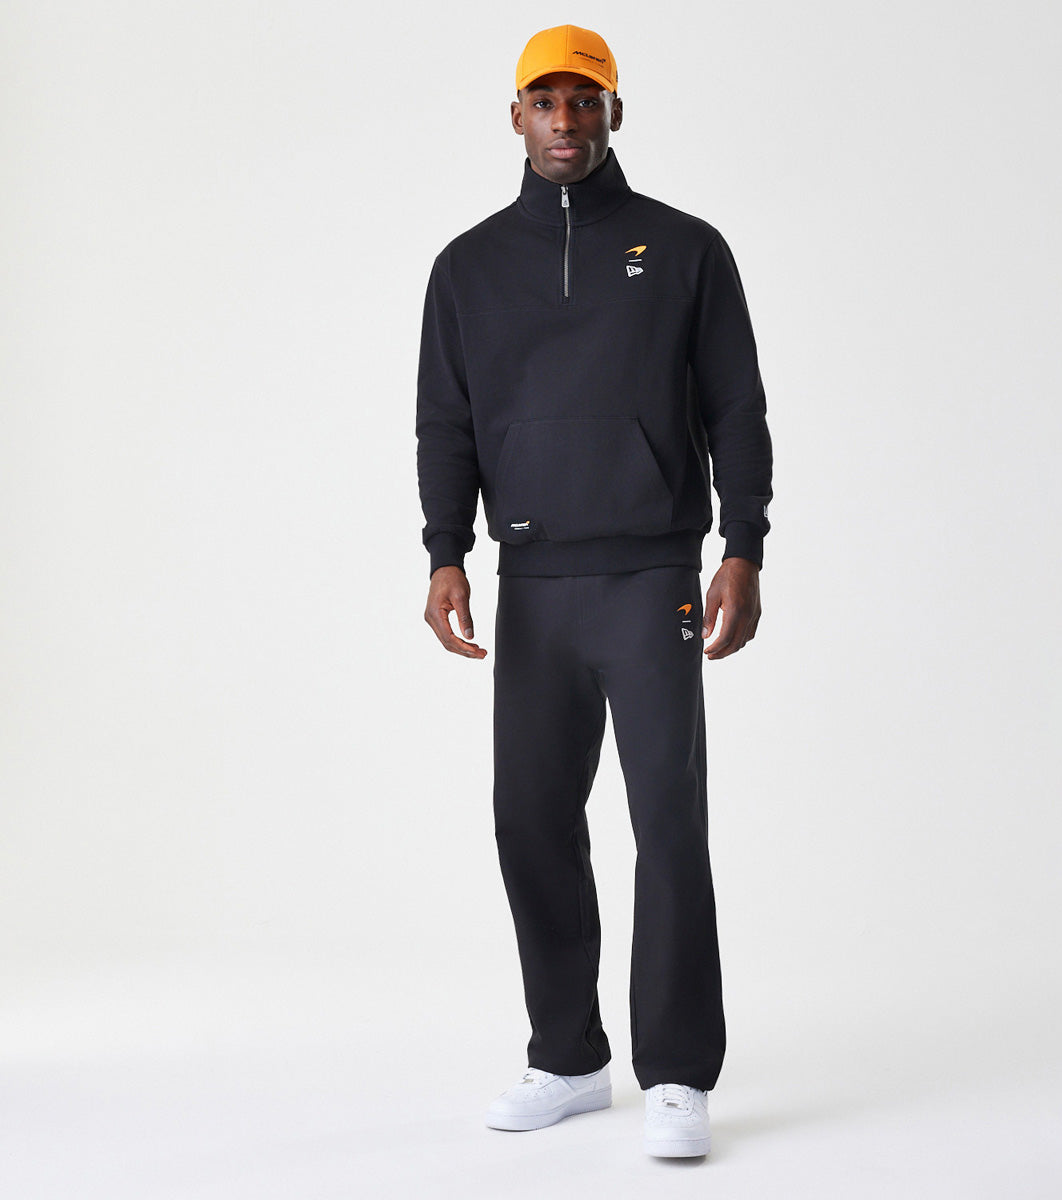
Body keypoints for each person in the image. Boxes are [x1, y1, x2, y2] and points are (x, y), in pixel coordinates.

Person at [415, 24, 773, 1159]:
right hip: (533, 580)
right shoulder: (468, 267)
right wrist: (444, 552)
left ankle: (678, 1074)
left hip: (653, 575)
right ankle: (567, 1057)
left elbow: (737, 408)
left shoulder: (687, 250)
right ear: (516, 116)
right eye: (545, 100)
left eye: (585, 99)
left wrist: (743, 545)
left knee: (666, 821)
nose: (565, 119)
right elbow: (445, 422)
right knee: (529, 820)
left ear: (615, 111)